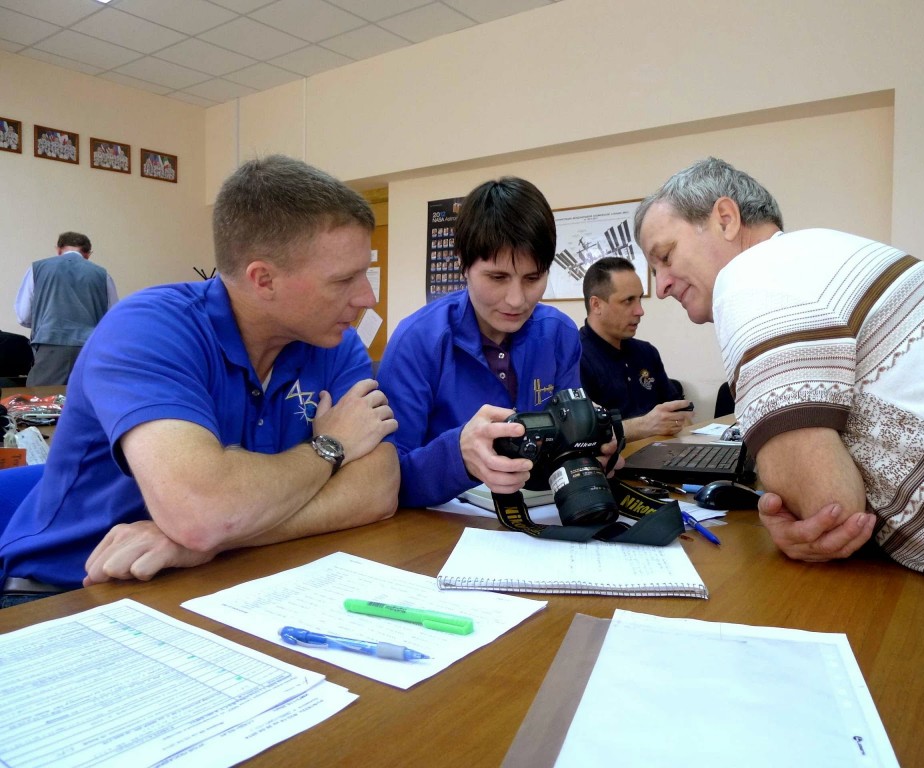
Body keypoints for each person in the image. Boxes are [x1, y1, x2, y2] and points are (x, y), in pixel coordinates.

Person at [0, 155, 399, 608]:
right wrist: (329, 448)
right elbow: (202, 511)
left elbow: (377, 489)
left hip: (218, 574)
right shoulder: (147, 329)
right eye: (345, 279)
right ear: (263, 279)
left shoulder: (334, 342)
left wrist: (211, 539)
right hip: (66, 588)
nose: (367, 298)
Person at [634, 156, 924, 592]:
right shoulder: (820, 249)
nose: (662, 285)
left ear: (725, 218)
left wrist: (786, 508)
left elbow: (830, 512)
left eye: (665, 257)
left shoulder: (749, 278)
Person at [376, 176, 582, 508]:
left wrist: (591, 451)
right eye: (497, 277)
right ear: (463, 263)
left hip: (541, 522)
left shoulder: (560, 334)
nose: (516, 300)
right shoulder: (417, 340)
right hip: (438, 529)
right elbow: (382, 479)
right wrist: (458, 455)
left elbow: (568, 439)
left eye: (533, 278)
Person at [579, 256, 693, 441]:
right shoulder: (574, 359)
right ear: (596, 305)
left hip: (664, 459)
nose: (640, 311)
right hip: (613, 466)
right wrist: (644, 426)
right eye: (628, 301)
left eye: (639, 299)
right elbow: (581, 435)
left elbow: (681, 412)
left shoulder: (646, 353)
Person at [14, 231, 118, 385]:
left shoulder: (37, 269)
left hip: (50, 344)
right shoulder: (102, 274)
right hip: (89, 348)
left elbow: (23, 315)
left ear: (58, 250)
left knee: (42, 400)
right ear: (88, 253)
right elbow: (113, 318)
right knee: (85, 399)